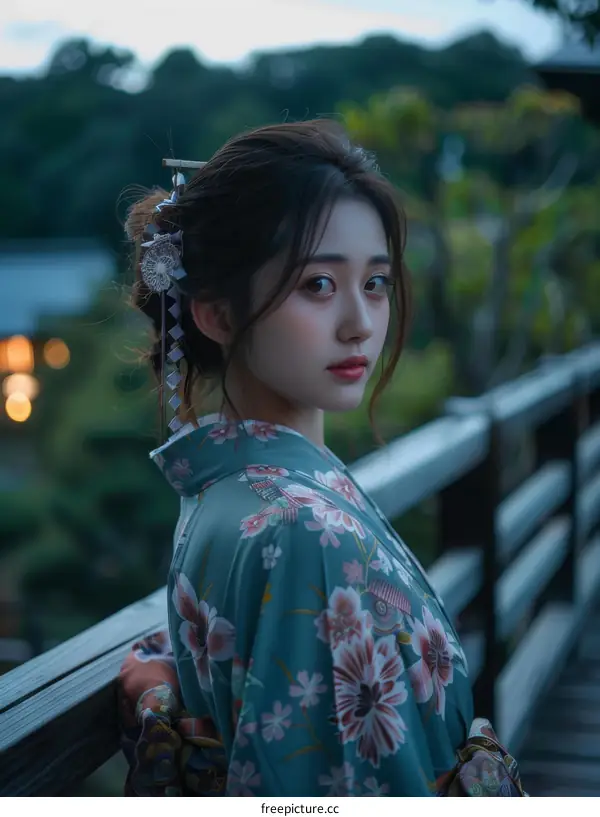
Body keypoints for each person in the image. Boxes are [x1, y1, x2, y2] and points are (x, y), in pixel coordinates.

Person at [117, 120, 525, 797]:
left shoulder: (231, 492)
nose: (360, 323)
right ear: (216, 312)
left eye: (376, 282)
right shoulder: (304, 530)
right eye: (317, 284)